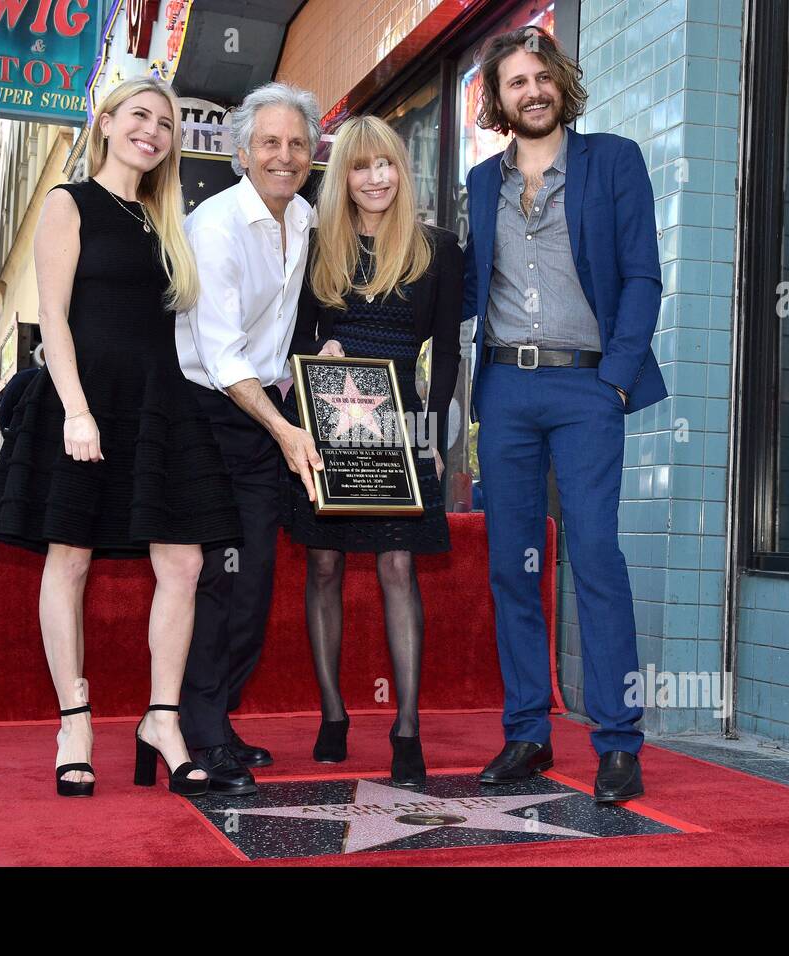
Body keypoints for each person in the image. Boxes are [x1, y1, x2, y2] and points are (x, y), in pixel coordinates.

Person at [0, 75, 243, 798]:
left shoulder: (165, 221)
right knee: (69, 558)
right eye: (138, 116)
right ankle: (75, 722)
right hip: (86, 397)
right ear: (105, 123)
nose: (152, 131)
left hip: (159, 402)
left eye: (164, 123)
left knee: (184, 563)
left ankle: (162, 718)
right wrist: (75, 410)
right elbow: (53, 319)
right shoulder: (70, 204)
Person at [462, 27, 666, 803]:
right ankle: (527, 734)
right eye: (515, 82)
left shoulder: (613, 160)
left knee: (596, 556)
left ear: (561, 85)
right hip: (507, 390)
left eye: (541, 77)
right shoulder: (483, 183)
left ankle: (618, 742)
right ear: (500, 98)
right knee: (512, 564)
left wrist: (614, 380)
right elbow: (470, 283)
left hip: (587, 389)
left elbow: (643, 275)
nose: (532, 91)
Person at [282, 116, 463, 788]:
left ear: (400, 169)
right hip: (329, 418)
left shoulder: (438, 248)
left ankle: (406, 726)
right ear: (344, 177)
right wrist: (315, 352)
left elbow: (446, 351)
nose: (376, 177)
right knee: (324, 565)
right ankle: (333, 713)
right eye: (360, 166)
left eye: (385, 163)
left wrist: (433, 433)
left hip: (401, 422)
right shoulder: (316, 244)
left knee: (396, 566)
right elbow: (296, 336)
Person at [176, 81, 324, 795]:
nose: (284, 155)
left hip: (264, 415)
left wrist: (313, 370)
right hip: (206, 416)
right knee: (218, 579)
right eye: (269, 142)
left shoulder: (302, 217)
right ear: (240, 152)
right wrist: (285, 427)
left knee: (254, 579)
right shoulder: (215, 225)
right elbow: (224, 351)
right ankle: (195, 734)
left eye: (297, 143)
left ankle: (219, 719)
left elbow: (280, 332)